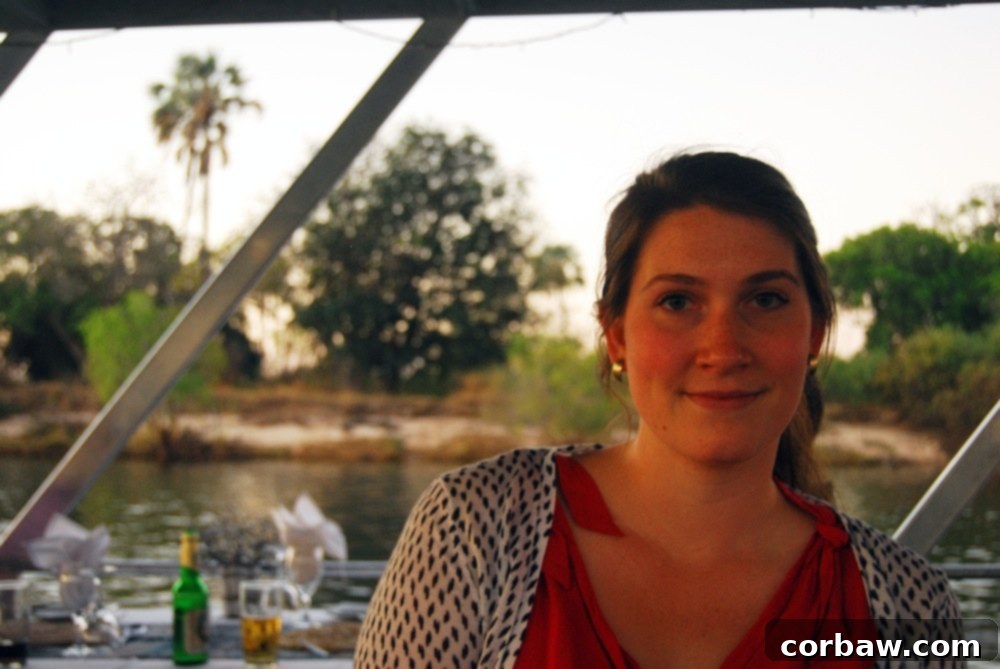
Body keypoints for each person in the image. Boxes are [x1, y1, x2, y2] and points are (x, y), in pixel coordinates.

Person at [354, 151, 963, 668]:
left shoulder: (907, 604)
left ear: (815, 335)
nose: (723, 349)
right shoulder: (476, 528)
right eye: (677, 301)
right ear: (616, 335)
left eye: (767, 298)